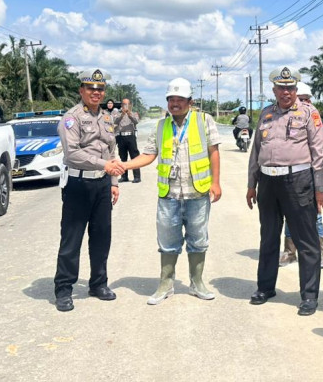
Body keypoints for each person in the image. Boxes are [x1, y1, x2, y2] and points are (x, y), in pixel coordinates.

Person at [113, 78, 222, 305]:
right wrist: (124, 165)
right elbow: (149, 155)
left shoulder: (204, 120)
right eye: (171, 99)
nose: (175, 103)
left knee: (198, 240)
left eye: (179, 99)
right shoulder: (162, 126)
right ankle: (165, 284)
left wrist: (216, 182)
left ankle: (197, 283)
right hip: (169, 194)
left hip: (197, 193)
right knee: (167, 242)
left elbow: (213, 152)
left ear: (189, 101)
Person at [246, 66, 323, 316]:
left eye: (290, 88)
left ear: (296, 90)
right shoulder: (266, 114)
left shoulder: (308, 113)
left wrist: (320, 188)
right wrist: (252, 184)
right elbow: (256, 150)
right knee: (268, 237)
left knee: (307, 240)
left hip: (298, 182)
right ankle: (265, 287)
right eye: (281, 88)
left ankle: (309, 296)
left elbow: (319, 154)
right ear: (274, 90)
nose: (286, 92)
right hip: (268, 184)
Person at [53, 69, 122, 312]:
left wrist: (113, 182)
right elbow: (72, 153)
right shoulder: (71, 118)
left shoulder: (106, 117)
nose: (96, 93)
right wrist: (105, 165)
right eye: (91, 88)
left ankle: (98, 283)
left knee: (102, 237)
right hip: (78, 185)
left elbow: (111, 149)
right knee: (72, 239)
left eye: (100, 89)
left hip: (102, 184)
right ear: (81, 91)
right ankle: (63, 288)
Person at [280, 81, 323, 269]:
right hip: (291, 176)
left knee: (316, 213)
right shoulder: (286, 119)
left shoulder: (317, 120)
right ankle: (290, 252)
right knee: (290, 213)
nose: (305, 103)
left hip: (313, 175)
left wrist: (320, 184)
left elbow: (320, 152)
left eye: (307, 99)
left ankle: (319, 252)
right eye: (301, 100)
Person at [116, 98, 141, 183]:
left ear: (130, 105)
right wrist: (122, 115)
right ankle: (124, 176)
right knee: (123, 157)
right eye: (123, 104)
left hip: (131, 136)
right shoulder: (117, 114)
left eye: (127, 104)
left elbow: (136, 121)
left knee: (134, 156)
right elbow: (115, 122)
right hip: (121, 137)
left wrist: (129, 114)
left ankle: (137, 177)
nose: (125, 106)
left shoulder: (134, 113)